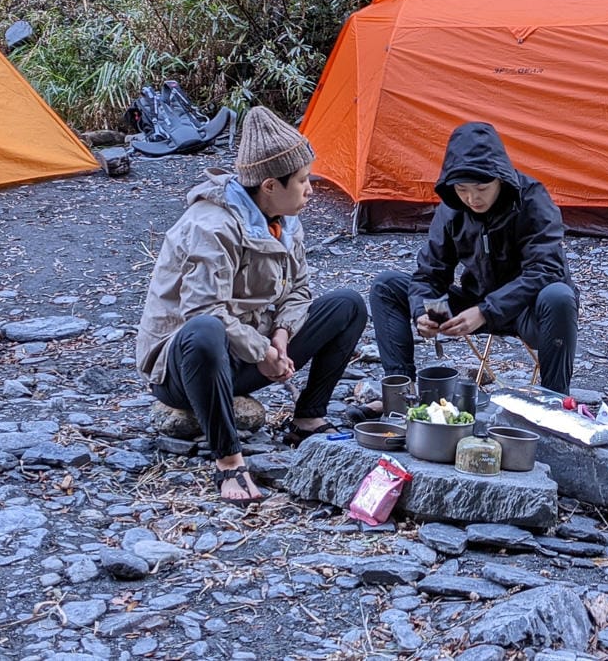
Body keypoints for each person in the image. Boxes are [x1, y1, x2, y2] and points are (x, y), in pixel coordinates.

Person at [136, 106, 366, 506]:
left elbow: (300, 289)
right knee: (206, 329)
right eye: (303, 180)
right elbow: (204, 311)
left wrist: (281, 335)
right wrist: (262, 352)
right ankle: (228, 460)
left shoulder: (283, 217)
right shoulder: (212, 226)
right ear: (270, 185)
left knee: (347, 305)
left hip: (251, 355)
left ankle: (308, 418)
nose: (311, 189)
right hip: (189, 368)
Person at [369, 121, 579, 396]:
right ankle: (400, 393)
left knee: (559, 295)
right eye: (462, 189)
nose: (472, 198)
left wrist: (486, 311)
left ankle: (555, 401)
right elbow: (430, 274)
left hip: (528, 310)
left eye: (481, 188)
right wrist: (423, 311)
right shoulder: (453, 208)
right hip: (475, 303)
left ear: (499, 178)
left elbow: (546, 270)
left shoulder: (531, 199)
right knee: (386, 286)